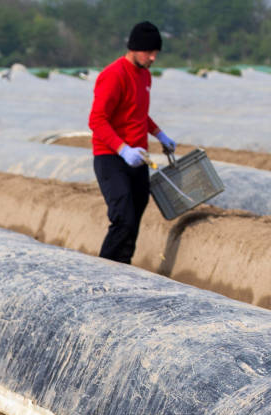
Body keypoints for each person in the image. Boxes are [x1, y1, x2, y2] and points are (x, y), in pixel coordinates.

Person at [88, 21, 176, 264]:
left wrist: (159, 135)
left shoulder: (145, 75)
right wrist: (123, 149)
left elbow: (138, 113)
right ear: (134, 49)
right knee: (123, 216)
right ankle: (104, 268)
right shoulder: (113, 75)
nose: (153, 57)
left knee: (136, 213)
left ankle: (123, 267)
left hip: (138, 158)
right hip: (111, 157)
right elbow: (97, 120)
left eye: (156, 52)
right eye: (149, 52)